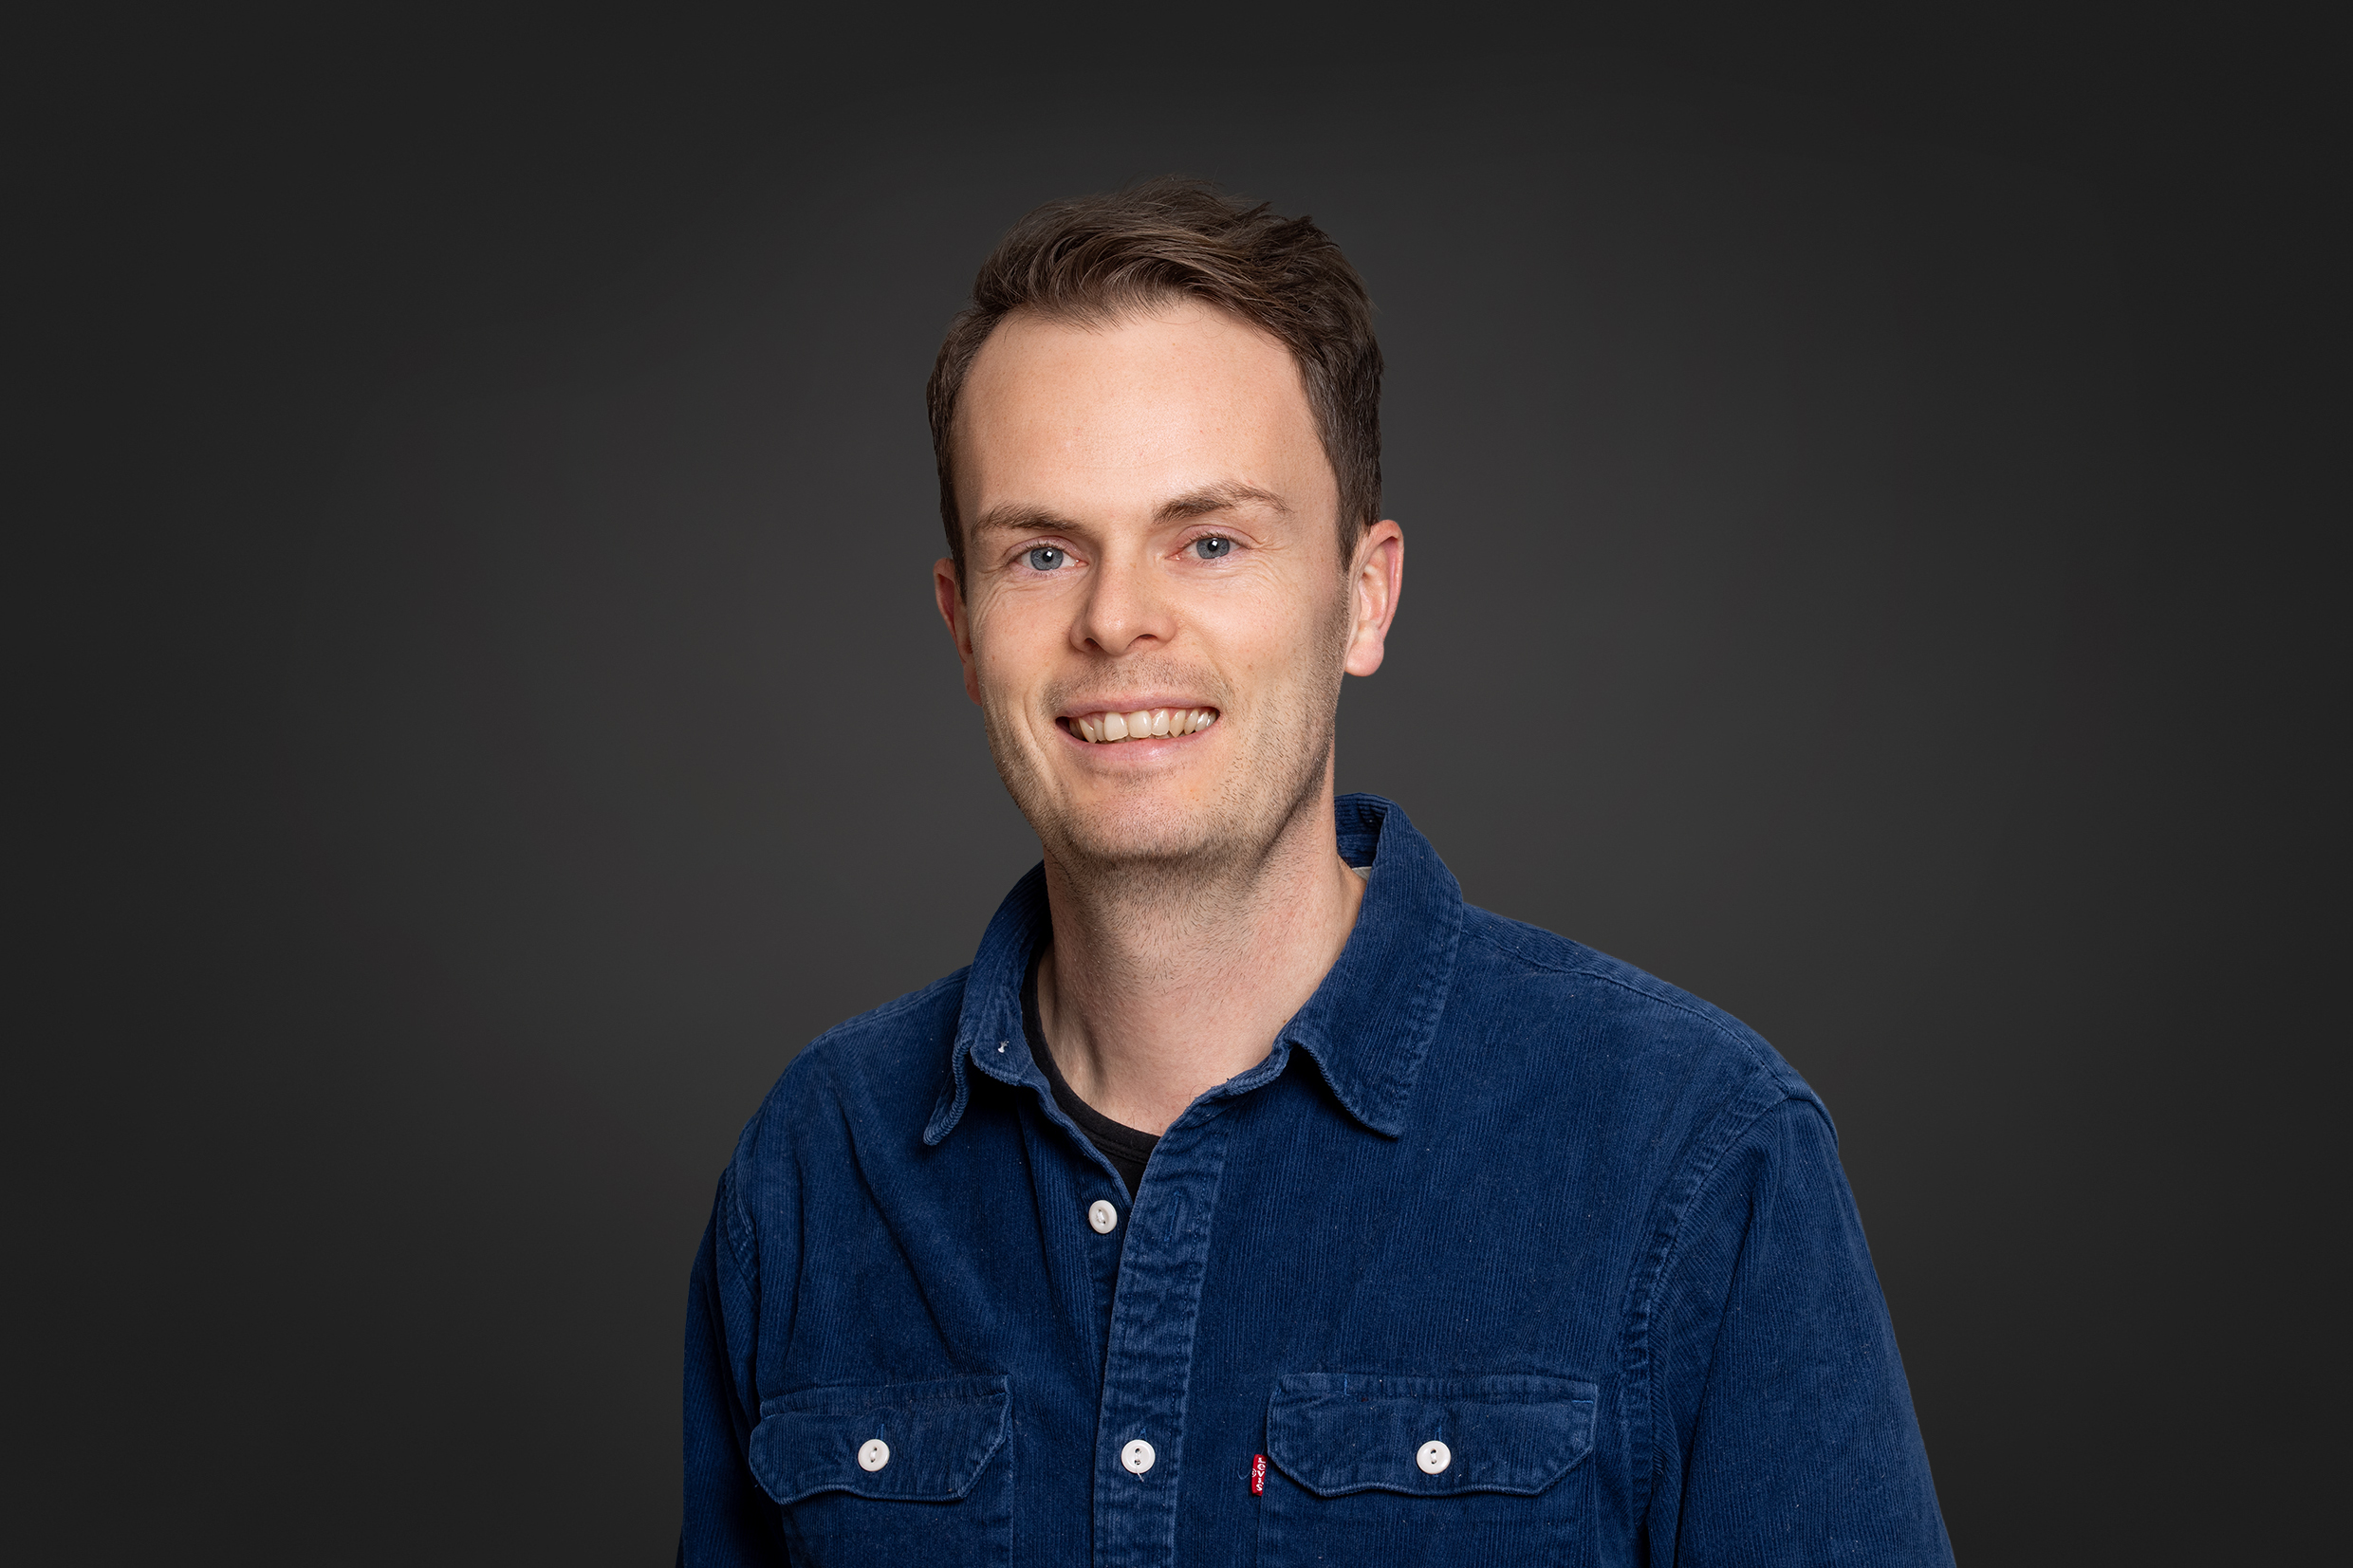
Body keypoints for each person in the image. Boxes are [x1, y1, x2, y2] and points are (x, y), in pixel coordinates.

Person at [680, 177, 1953, 1567]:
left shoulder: (1697, 1152)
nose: (1117, 620)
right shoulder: (816, 1166)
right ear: (964, 627)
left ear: (1364, 595)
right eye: (1042, 552)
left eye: (1210, 541)